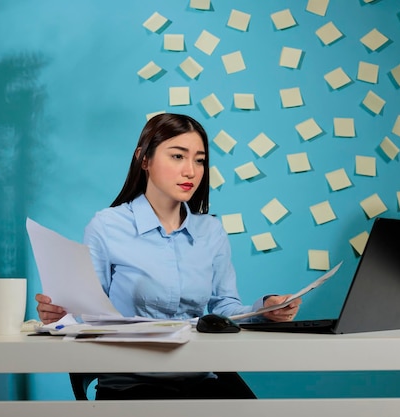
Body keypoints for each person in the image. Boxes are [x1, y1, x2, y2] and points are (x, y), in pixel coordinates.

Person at [35, 113, 301, 400]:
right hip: (130, 383)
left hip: (201, 377)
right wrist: (59, 315)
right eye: (177, 156)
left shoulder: (211, 230)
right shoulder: (107, 226)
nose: (191, 171)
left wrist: (265, 310)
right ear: (144, 159)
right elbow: (86, 310)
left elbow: (223, 308)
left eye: (199, 160)